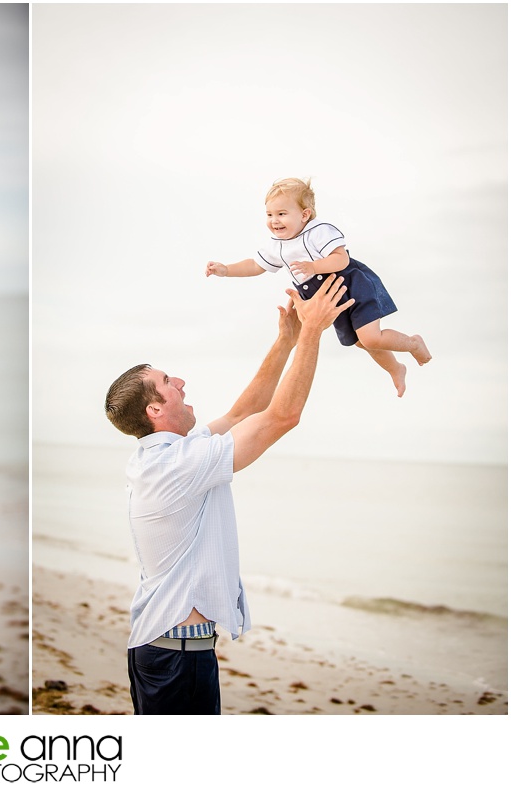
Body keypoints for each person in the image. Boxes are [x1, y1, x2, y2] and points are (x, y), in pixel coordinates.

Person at [104, 274, 353, 714]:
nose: (181, 381)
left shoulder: (167, 455)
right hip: (175, 656)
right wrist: (313, 331)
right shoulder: (177, 465)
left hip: (172, 649)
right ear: (155, 409)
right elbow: (281, 417)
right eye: (167, 380)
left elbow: (244, 412)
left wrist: (287, 340)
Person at [205, 177, 431, 397]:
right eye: (269, 214)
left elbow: (341, 259)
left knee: (370, 338)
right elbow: (256, 265)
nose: (274, 220)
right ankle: (395, 368)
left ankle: (413, 343)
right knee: (361, 342)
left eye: (282, 214)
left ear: (305, 215)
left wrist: (314, 266)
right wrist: (226, 270)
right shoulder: (277, 245)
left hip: (350, 285)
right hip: (329, 299)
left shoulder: (318, 231)